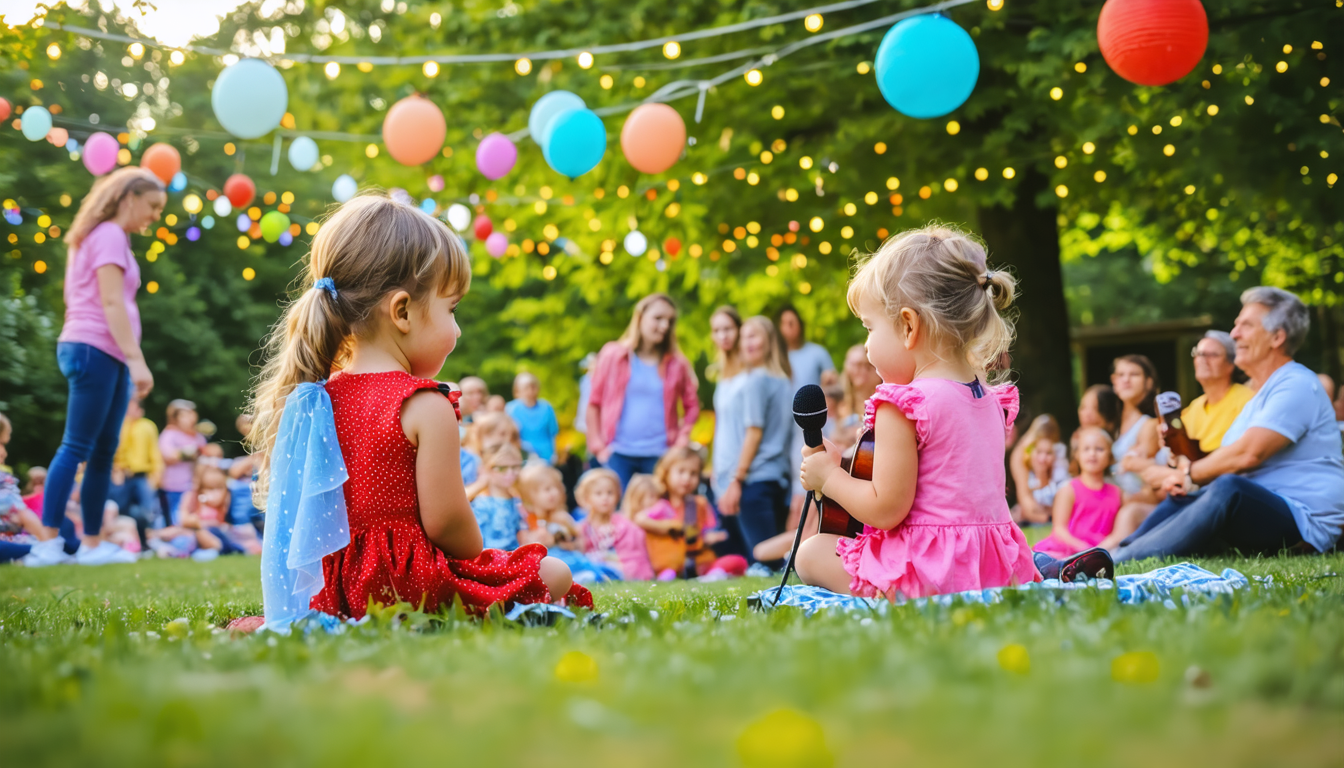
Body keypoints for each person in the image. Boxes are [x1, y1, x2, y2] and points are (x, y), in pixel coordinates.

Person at [247, 195, 590, 628]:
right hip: (408, 586)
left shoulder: (316, 399)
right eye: (452, 309)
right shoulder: (424, 404)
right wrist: (477, 550)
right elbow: (448, 525)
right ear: (403, 311)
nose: (457, 330)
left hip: (333, 591)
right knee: (553, 571)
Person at [795, 225, 1045, 600]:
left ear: (909, 326)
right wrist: (846, 465)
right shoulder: (989, 399)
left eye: (870, 328)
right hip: (989, 569)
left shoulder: (903, 405)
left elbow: (885, 510)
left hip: (931, 576)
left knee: (811, 553)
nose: (867, 346)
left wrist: (828, 477)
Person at [1114, 287, 1344, 562]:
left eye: (1246, 325)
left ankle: (1126, 559)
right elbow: (1225, 460)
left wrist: (1189, 475)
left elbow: (1248, 454)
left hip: (1303, 520)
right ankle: (1116, 554)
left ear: (1277, 337)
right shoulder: (1259, 398)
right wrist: (1186, 472)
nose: (1234, 334)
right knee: (1185, 495)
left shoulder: (1297, 383)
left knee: (1228, 488)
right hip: (1263, 508)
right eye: (1236, 325)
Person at [23, 168, 165, 568]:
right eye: (152, 206)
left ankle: (91, 543)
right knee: (76, 445)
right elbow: (111, 302)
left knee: (103, 452)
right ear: (128, 197)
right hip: (94, 349)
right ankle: (47, 543)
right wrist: (137, 360)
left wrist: (127, 357)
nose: (155, 215)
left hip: (107, 353)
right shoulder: (109, 235)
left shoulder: (105, 237)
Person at [586, 293, 700, 489]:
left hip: (659, 454)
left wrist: (681, 440)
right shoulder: (613, 355)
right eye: (658, 318)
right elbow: (594, 403)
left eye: (669, 321)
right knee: (618, 506)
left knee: (656, 506)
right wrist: (598, 447)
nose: (664, 326)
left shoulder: (676, 363)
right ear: (640, 317)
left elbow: (692, 406)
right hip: (618, 453)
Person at [714, 316, 794, 563]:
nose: (746, 343)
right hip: (776, 478)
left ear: (769, 340)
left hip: (755, 480)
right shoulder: (784, 381)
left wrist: (736, 478)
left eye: (753, 336)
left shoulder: (756, 381)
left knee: (764, 561)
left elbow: (754, 431)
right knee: (776, 559)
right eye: (744, 337)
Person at [778, 304, 836, 540]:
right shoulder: (779, 357)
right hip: (787, 427)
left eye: (792, 322)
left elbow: (833, 383)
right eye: (783, 324)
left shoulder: (817, 353)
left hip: (816, 423)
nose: (788, 328)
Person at [1033, 428, 1123, 558]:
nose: (1092, 454)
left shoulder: (1117, 493)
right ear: (1077, 454)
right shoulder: (1068, 490)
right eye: (1086, 449)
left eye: (1099, 449)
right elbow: (1059, 530)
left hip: (1099, 551)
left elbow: (1118, 533)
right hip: (1065, 548)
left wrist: (1098, 551)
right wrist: (1084, 550)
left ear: (1110, 456)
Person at [637, 446, 725, 578]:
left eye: (693, 473)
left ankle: (710, 574)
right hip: (664, 560)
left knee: (731, 562)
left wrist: (710, 536)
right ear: (666, 472)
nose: (687, 478)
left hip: (693, 559)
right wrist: (671, 526)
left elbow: (708, 531)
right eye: (681, 471)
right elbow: (639, 519)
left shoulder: (699, 504)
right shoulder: (658, 502)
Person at [1181, 331, 1256, 454]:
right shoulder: (1193, 408)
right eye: (1199, 354)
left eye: (1213, 355)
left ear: (1231, 364)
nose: (1203, 360)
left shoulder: (1247, 400)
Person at [575, 468, 653, 580]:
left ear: (617, 495)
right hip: (593, 567)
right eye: (598, 493)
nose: (605, 498)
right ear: (586, 498)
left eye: (610, 493)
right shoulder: (582, 527)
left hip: (619, 568)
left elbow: (632, 555)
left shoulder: (623, 525)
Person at [111, 398, 164, 545]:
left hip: (142, 475)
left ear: (140, 410)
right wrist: (116, 469)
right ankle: (128, 541)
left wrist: (157, 474)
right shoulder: (120, 425)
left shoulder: (147, 426)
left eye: (133, 408)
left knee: (148, 510)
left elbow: (154, 452)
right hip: (123, 475)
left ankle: (150, 542)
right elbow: (116, 451)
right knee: (120, 508)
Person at [1110, 355, 1162, 501]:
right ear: (1114, 381)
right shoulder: (1114, 425)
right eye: (1121, 375)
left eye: (1134, 374)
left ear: (1149, 382)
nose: (1126, 380)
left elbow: (1148, 481)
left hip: (1135, 501)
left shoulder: (1150, 424)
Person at [1008, 414, 1070, 524]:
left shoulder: (1058, 455)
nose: (1043, 458)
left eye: (1048, 452)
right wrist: (1048, 517)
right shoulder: (1020, 454)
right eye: (1040, 451)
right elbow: (1025, 500)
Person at [469, 443, 527, 551]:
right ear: (487, 469)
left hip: (515, 553)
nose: (510, 473)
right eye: (501, 468)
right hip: (490, 555)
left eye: (515, 467)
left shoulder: (516, 499)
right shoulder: (482, 503)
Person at [158, 399, 206, 525]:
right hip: (171, 486)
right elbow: (168, 456)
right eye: (184, 415)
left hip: (191, 487)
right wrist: (191, 452)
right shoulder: (169, 434)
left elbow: (202, 461)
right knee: (171, 520)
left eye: (190, 414)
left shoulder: (198, 437)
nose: (189, 419)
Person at [505, 372, 559, 463]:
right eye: (526, 387)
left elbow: (553, 433)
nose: (530, 391)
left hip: (546, 456)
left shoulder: (546, 407)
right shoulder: (511, 409)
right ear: (517, 390)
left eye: (533, 387)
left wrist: (555, 453)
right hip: (523, 457)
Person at [835, 343, 881, 450]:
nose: (858, 370)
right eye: (853, 365)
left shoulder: (883, 404)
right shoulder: (841, 405)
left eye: (863, 364)